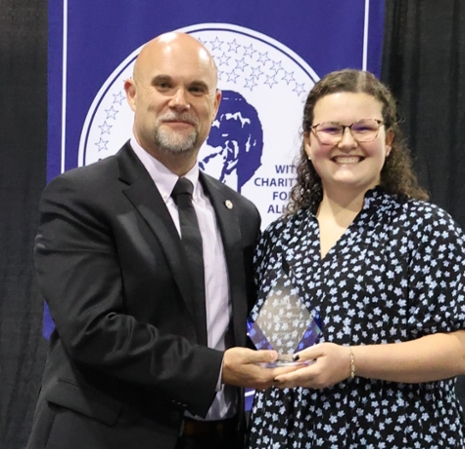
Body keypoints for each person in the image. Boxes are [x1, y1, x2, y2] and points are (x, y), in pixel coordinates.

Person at [27, 32, 286, 449]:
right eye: (164, 84)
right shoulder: (80, 196)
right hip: (107, 436)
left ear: (215, 105)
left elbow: (260, 317)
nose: (180, 100)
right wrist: (216, 369)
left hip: (222, 436)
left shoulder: (240, 212)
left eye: (196, 88)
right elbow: (93, 330)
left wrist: (319, 356)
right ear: (132, 94)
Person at [248, 69, 465, 448]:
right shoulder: (281, 239)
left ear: (389, 140)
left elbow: (462, 351)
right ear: (309, 142)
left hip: (398, 436)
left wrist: (350, 360)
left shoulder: (425, 228)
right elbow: (282, 350)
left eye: (363, 128)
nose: (347, 142)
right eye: (331, 129)